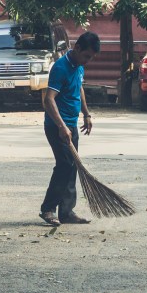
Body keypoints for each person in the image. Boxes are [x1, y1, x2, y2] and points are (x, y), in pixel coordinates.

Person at [40, 30, 100, 225]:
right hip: (56, 126)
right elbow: (49, 100)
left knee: (72, 166)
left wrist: (86, 113)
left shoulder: (79, 66)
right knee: (65, 164)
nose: (88, 60)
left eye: (91, 58)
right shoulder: (60, 68)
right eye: (86, 56)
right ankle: (48, 209)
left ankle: (66, 212)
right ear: (78, 48)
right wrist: (61, 126)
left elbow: (79, 88)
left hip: (71, 125)